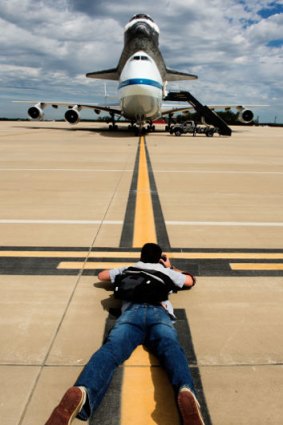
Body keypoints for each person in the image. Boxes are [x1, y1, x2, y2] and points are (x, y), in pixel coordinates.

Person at [44, 243, 205, 425]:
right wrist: (169, 267)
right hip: (159, 314)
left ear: (141, 256)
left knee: (110, 351)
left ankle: (83, 390)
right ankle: (186, 391)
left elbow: (102, 275)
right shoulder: (166, 271)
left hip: (130, 315)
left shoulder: (129, 269)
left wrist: (129, 267)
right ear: (159, 258)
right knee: (172, 350)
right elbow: (190, 281)